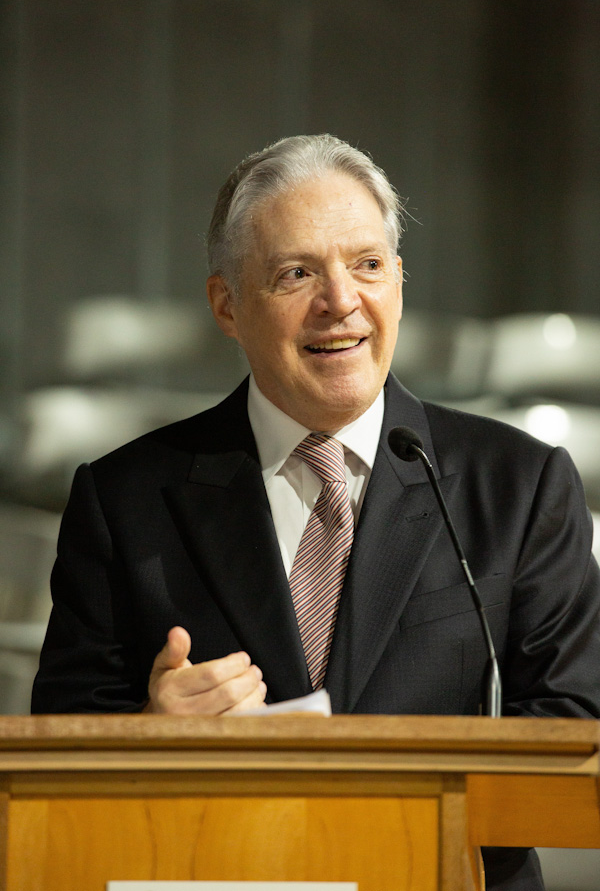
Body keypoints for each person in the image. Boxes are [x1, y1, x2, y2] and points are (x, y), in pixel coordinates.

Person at [32, 134, 600, 889]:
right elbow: (56, 765)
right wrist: (149, 739)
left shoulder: (520, 486)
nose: (341, 301)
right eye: (296, 273)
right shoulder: (124, 499)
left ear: (399, 280)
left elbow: (573, 734)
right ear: (227, 304)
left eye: (368, 265)